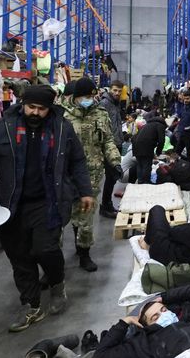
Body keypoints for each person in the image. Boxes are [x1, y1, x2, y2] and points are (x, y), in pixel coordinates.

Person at [0, 85, 93, 332]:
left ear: (50, 108)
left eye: (41, 109)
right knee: (20, 256)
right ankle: (31, 305)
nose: (35, 112)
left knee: (46, 249)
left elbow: (77, 160)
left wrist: (85, 191)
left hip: (49, 201)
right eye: (31, 107)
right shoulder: (4, 127)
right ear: (23, 104)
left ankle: (57, 284)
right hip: (11, 204)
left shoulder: (61, 128)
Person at [62, 77, 122, 271]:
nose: (90, 99)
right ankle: (54, 261)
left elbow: (108, 141)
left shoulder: (100, 114)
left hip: (92, 174)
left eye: (92, 95)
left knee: (86, 215)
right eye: (85, 96)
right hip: (66, 174)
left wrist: (115, 160)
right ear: (76, 97)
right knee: (66, 214)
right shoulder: (63, 116)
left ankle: (84, 253)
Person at [95, 283, 190, 358]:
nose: (163, 315)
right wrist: (125, 322)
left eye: (163, 310)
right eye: (155, 317)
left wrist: (162, 298)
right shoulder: (145, 344)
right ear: (145, 327)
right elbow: (100, 355)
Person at [99, 80, 124, 218]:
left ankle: (107, 204)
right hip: (110, 145)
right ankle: (105, 206)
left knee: (112, 177)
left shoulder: (116, 103)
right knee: (110, 177)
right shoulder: (105, 103)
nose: (117, 93)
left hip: (117, 143)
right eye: (115, 90)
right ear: (110, 89)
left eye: (119, 91)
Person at [132, 112, 170, 184]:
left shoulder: (147, 125)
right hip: (146, 146)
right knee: (147, 165)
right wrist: (158, 152)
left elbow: (135, 136)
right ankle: (146, 182)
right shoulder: (160, 125)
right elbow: (161, 140)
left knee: (140, 165)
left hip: (136, 146)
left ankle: (140, 181)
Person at [173, 89, 190, 158]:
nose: (185, 100)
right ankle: (177, 166)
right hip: (182, 133)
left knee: (189, 153)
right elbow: (180, 115)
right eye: (184, 98)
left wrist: (186, 128)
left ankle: (189, 167)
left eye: (187, 99)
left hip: (189, 135)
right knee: (177, 151)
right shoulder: (184, 106)